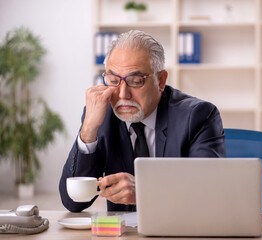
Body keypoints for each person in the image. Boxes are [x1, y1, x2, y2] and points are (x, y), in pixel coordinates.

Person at [59, 30, 226, 212]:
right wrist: (88, 129)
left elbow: (209, 193)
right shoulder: (101, 116)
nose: (123, 94)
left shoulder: (197, 116)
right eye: (113, 80)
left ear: (161, 81)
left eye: (136, 81)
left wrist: (145, 191)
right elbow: (73, 202)